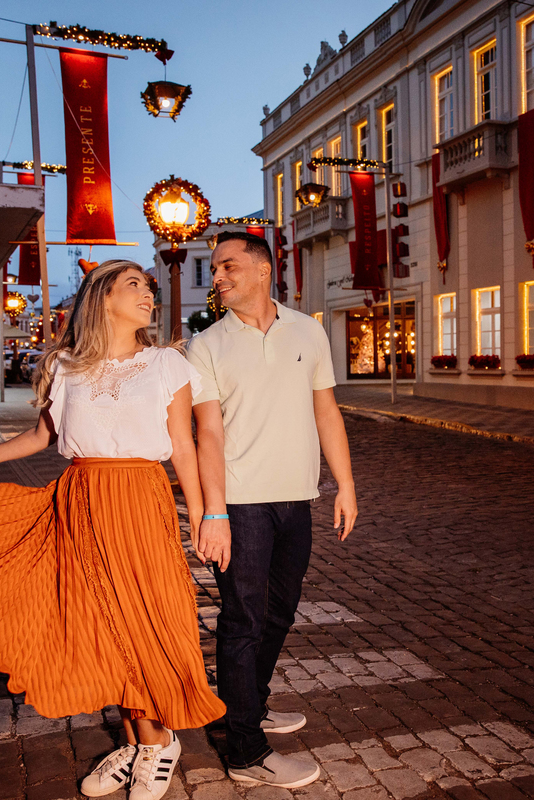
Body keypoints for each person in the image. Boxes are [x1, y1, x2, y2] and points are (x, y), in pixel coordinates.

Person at [0, 260, 224, 800]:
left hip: (138, 499)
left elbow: (183, 445)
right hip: (79, 500)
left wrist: (207, 516)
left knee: (146, 617)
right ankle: (135, 740)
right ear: (102, 296)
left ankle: (159, 743)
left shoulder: (164, 363)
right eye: (135, 285)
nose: (148, 295)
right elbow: (41, 436)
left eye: (150, 288)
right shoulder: (66, 365)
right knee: (97, 623)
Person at [187, 231, 358, 789]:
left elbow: (327, 412)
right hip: (241, 504)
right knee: (242, 621)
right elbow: (207, 433)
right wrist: (214, 513)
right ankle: (244, 751)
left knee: (280, 614)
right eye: (215, 269)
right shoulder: (207, 345)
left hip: (297, 499)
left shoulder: (307, 330)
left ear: (263, 270)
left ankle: (248, 706)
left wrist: (345, 485)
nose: (217, 277)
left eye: (227, 266)